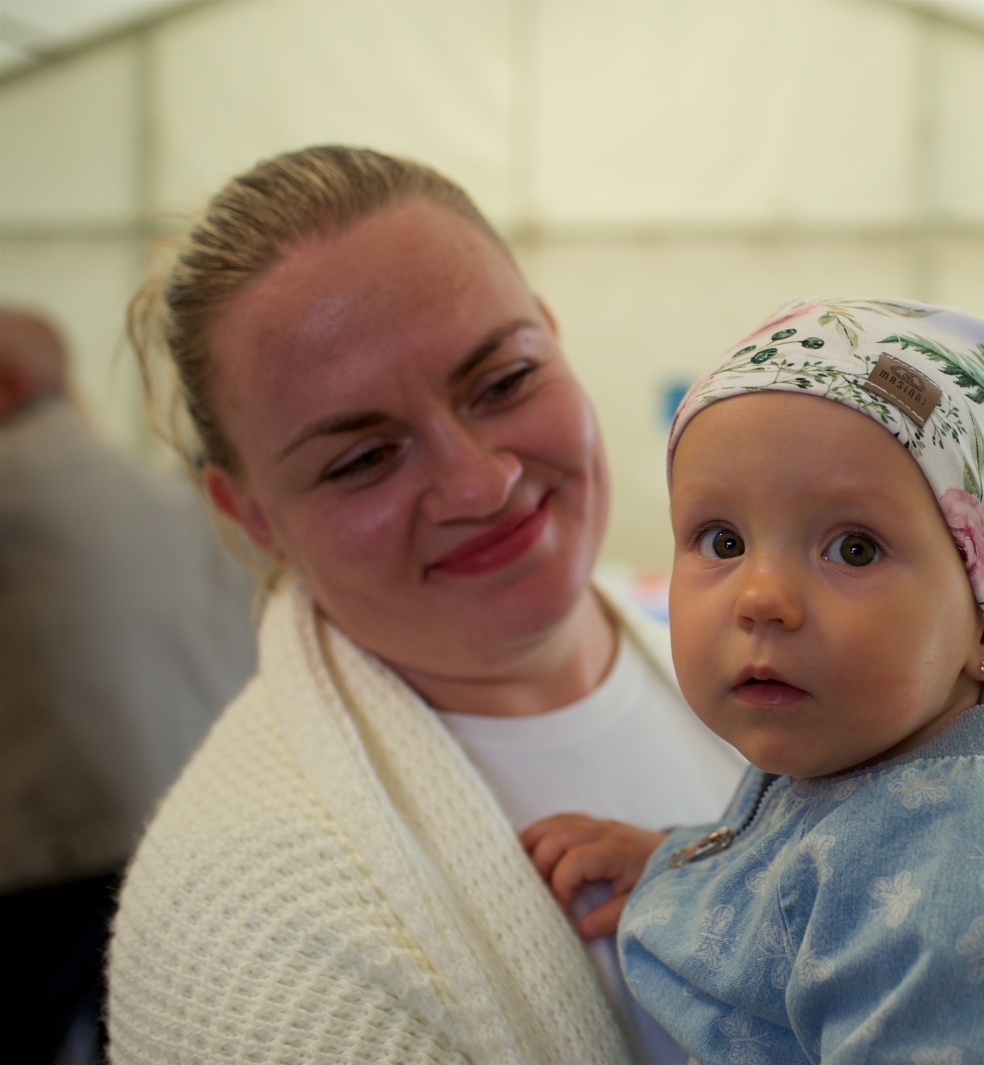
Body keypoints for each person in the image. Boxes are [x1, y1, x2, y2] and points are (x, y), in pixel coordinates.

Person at [105, 146, 744, 1064]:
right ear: (250, 514)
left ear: (554, 336)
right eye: (362, 458)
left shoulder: (728, 651)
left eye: (506, 381)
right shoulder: (253, 944)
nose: (481, 483)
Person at [525, 299, 984, 1064]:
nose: (761, 597)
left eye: (854, 548)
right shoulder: (872, 745)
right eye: (722, 540)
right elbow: (808, 875)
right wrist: (677, 862)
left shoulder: (983, 866)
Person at [0, 309, 255, 1065]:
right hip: (183, 825)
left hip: (58, 845)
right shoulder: (158, 494)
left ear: (7, 385)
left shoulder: (14, 491)